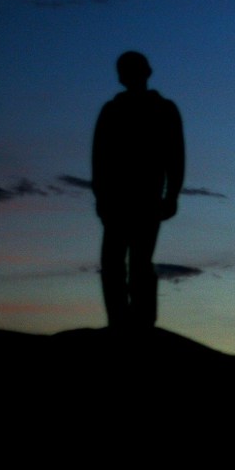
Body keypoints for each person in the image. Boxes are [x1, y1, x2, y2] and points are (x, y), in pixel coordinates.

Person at [92, 51, 185, 330]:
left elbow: (175, 156)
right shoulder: (112, 111)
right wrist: (101, 197)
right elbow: (100, 158)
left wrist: (172, 194)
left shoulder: (163, 109)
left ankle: (141, 323)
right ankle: (120, 322)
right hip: (118, 201)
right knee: (114, 263)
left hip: (145, 200)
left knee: (138, 263)